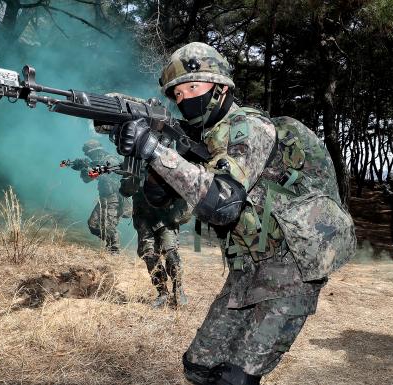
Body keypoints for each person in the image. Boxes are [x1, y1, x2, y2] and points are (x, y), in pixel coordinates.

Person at [113, 42, 355, 385]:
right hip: (249, 265)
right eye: (178, 95)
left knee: (236, 377)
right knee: (198, 366)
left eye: (193, 87)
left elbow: (223, 204)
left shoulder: (250, 128)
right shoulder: (205, 139)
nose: (185, 99)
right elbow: (158, 199)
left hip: (293, 266)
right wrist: (153, 156)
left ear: (221, 88)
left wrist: (153, 151)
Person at [132, 170, 190, 307]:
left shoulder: (166, 166)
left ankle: (178, 290)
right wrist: (132, 178)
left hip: (166, 218)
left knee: (171, 254)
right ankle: (163, 293)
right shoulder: (136, 168)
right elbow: (125, 191)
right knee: (149, 256)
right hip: (145, 220)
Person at [73, 139, 130, 254]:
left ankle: (114, 250)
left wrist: (90, 168)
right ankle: (110, 244)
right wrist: (83, 168)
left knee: (109, 226)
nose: (89, 156)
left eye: (90, 154)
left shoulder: (111, 160)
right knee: (93, 224)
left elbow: (108, 174)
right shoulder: (95, 163)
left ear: (97, 151)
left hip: (115, 198)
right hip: (104, 197)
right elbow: (87, 179)